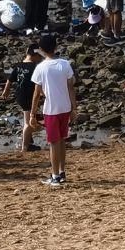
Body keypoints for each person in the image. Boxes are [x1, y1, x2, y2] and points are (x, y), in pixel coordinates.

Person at [30, 34, 77, 187]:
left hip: (51, 109)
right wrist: (74, 108)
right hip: (65, 107)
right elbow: (71, 87)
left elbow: (37, 93)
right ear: (55, 47)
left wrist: (32, 114)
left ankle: (55, 175)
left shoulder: (41, 68)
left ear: (41, 50)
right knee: (62, 140)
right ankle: (61, 172)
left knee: (53, 143)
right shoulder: (65, 64)